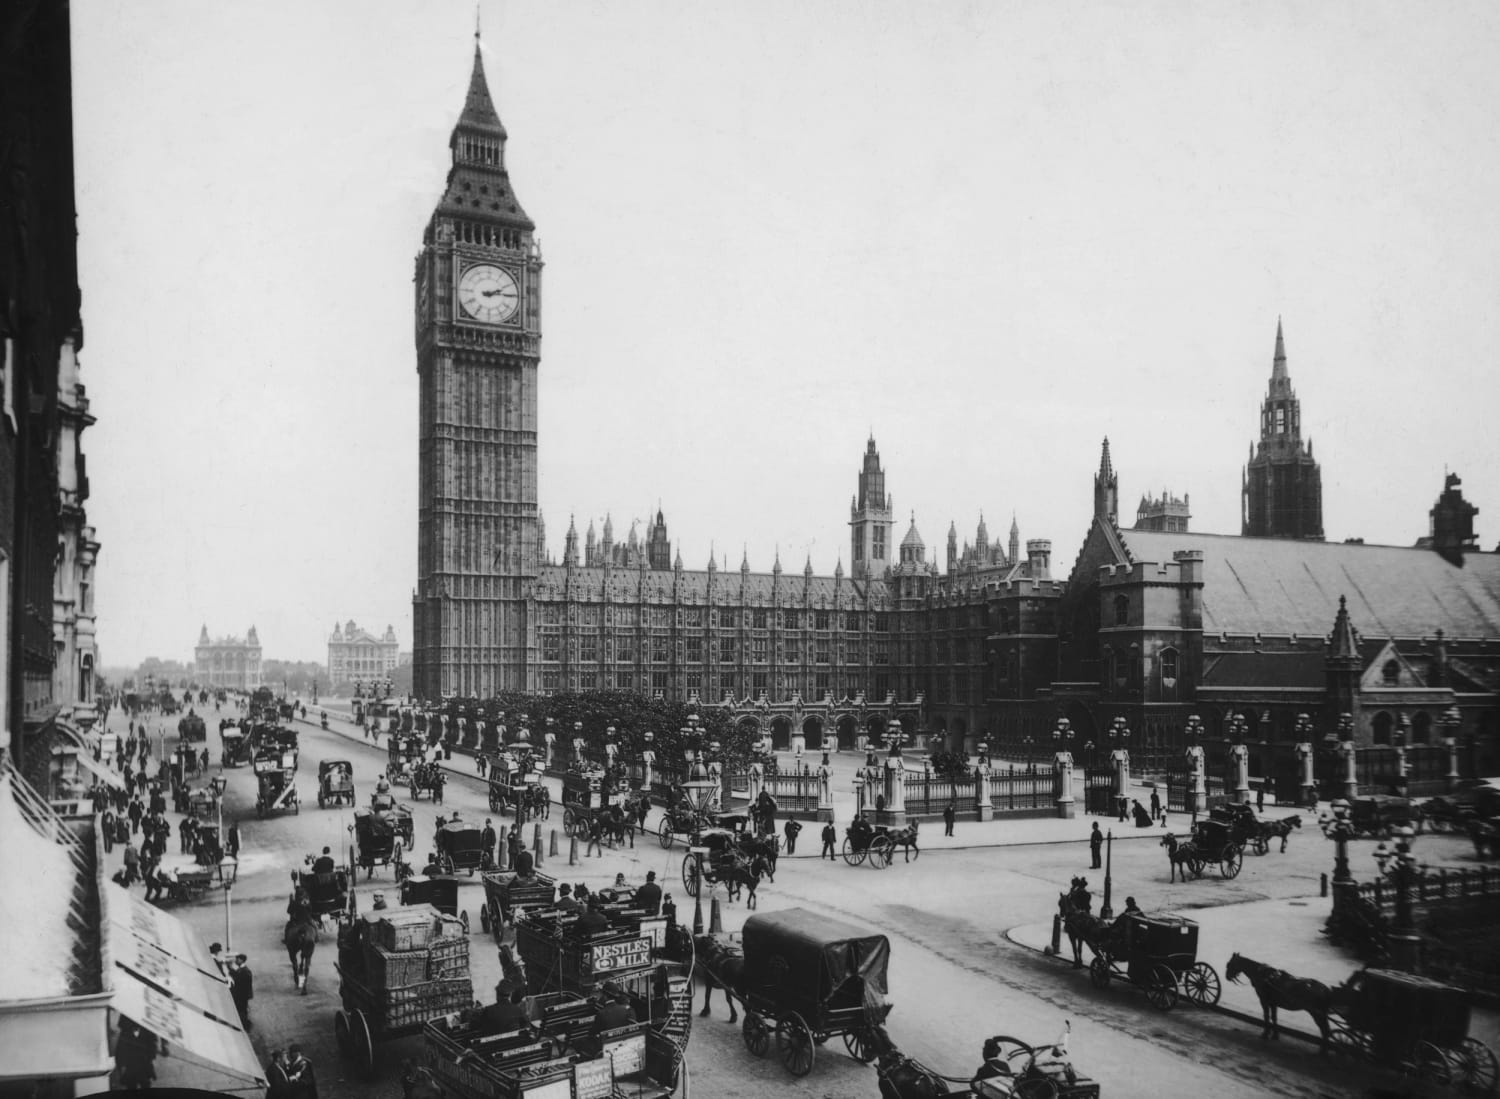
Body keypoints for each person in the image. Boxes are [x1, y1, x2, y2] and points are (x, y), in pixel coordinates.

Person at [229, 954, 254, 1027]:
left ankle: (245, 1024)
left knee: (242, 1009)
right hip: (242, 994)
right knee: (242, 1009)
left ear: (242, 960)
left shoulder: (246, 971)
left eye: (237, 959)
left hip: (242, 994)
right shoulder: (242, 969)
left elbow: (240, 980)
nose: (236, 960)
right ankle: (244, 1023)